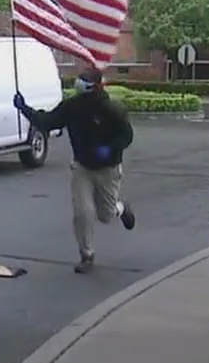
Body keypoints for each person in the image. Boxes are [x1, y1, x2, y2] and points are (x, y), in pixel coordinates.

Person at [14, 68, 136, 273]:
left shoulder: (110, 108)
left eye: (85, 82)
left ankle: (121, 209)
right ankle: (87, 255)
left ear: (97, 86)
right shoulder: (72, 106)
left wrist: (110, 148)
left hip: (108, 169)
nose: (79, 84)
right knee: (83, 212)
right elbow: (48, 121)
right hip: (82, 167)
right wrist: (24, 108)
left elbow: (126, 135)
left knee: (105, 215)